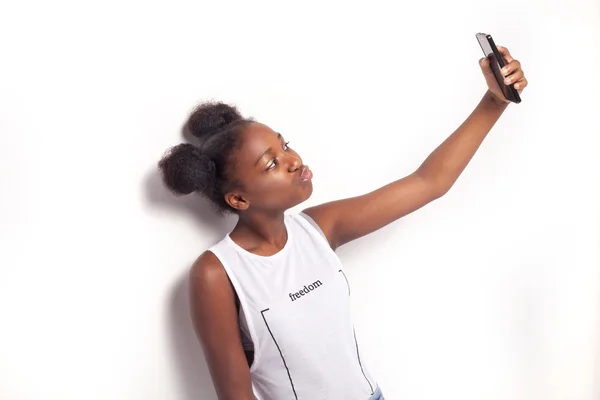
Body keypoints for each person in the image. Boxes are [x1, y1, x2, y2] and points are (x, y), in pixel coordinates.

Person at [158, 46, 528, 400]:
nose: (292, 160)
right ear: (239, 199)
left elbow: (428, 183)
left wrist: (494, 101)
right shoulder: (217, 273)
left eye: (285, 145)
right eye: (270, 163)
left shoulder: (318, 228)